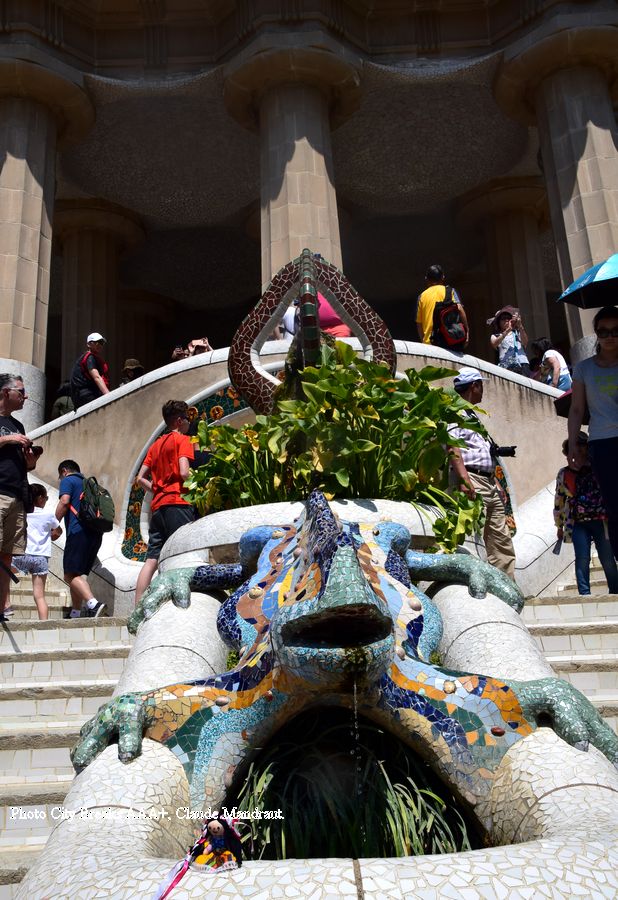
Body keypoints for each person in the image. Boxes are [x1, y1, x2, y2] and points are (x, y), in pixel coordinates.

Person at [448, 367, 516, 579]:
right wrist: (464, 479)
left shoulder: (470, 414)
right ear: (474, 386)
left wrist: (495, 482)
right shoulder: (454, 412)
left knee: (500, 537)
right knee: (472, 537)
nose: (483, 391)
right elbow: (452, 447)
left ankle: (507, 586)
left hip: (487, 481)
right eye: (481, 385)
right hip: (472, 479)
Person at [568, 305, 618, 560]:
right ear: (596, 334)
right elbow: (577, 409)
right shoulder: (584, 369)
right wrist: (575, 443)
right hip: (603, 443)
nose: (610, 336)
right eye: (603, 331)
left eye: (615, 331)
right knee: (614, 504)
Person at [134, 400, 196, 603]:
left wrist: (157, 489)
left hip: (158, 506)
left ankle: (138, 605)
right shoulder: (183, 440)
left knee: (152, 558)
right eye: (187, 418)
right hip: (178, 501)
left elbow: (140, 478)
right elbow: (184, 472)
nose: (189, 422)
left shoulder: (155, 445)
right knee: (182, 552)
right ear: (179, 420)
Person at [554, 433, 618, 596]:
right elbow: (559, 501)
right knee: (582, 558)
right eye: (574, 448)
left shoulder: (599, 467)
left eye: (581, 446)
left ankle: (615, 591)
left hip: (600, 520)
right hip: (578, 522)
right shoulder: (564, 474)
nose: (579, 450)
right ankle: (584, 594)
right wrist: (559, 525)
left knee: (607, 558)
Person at [0, 374, 40, 621]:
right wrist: (8, 439)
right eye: (21, 391)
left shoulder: (19, 426)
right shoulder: (12, 431)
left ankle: (3, 605)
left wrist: (30, 463)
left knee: (7, 552)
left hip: (16, 494)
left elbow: (25, 466)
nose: (26, 396)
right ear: (5, 392)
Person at [55, 460, 106, 618]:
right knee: (76, 574)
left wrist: (53, 524)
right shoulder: (90, 485)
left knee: (69, 575)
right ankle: (75, 612)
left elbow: (64, 501)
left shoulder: (68, 480)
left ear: (64, 471)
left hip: (78, 532)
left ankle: (93, 604)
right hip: (95, 534)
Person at [12, 484, 62, 620]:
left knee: (4, 578)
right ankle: (44, 625)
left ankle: (5, 606)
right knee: (39, 596)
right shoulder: (48, 514)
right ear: (40, 498)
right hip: (40, 558)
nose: (46, 500)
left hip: (21, 555)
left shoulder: (22, 511)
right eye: (46, 498)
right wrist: (51, 536)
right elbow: (59, 531)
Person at [416, 264, 469, 348]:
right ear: (443, 278)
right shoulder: (450, 291)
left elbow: (419, 324)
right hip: (450, 340)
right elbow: (460, 309)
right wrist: (467, 333)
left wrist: (424, 342)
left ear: (426, 279)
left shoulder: (421, 297)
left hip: (430, 344)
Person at [70, 333, 110, 410]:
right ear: (89, 344)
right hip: (86, 395)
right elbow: (97, 377)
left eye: (101, 343)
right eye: (97, 342)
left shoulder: (89, 357)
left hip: (81, 395)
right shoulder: (90, 357)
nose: (100, 345)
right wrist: (108, 395)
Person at [488, 306, 530, 376]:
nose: (507, 320)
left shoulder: (517, 333)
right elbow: (495, 344)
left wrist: (520, 325)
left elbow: (525, 342)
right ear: (499, 322)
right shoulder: (495, 336)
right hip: (506, 365)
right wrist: (507, 330)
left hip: (522, 363)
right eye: (503, 318)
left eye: (508, 318)